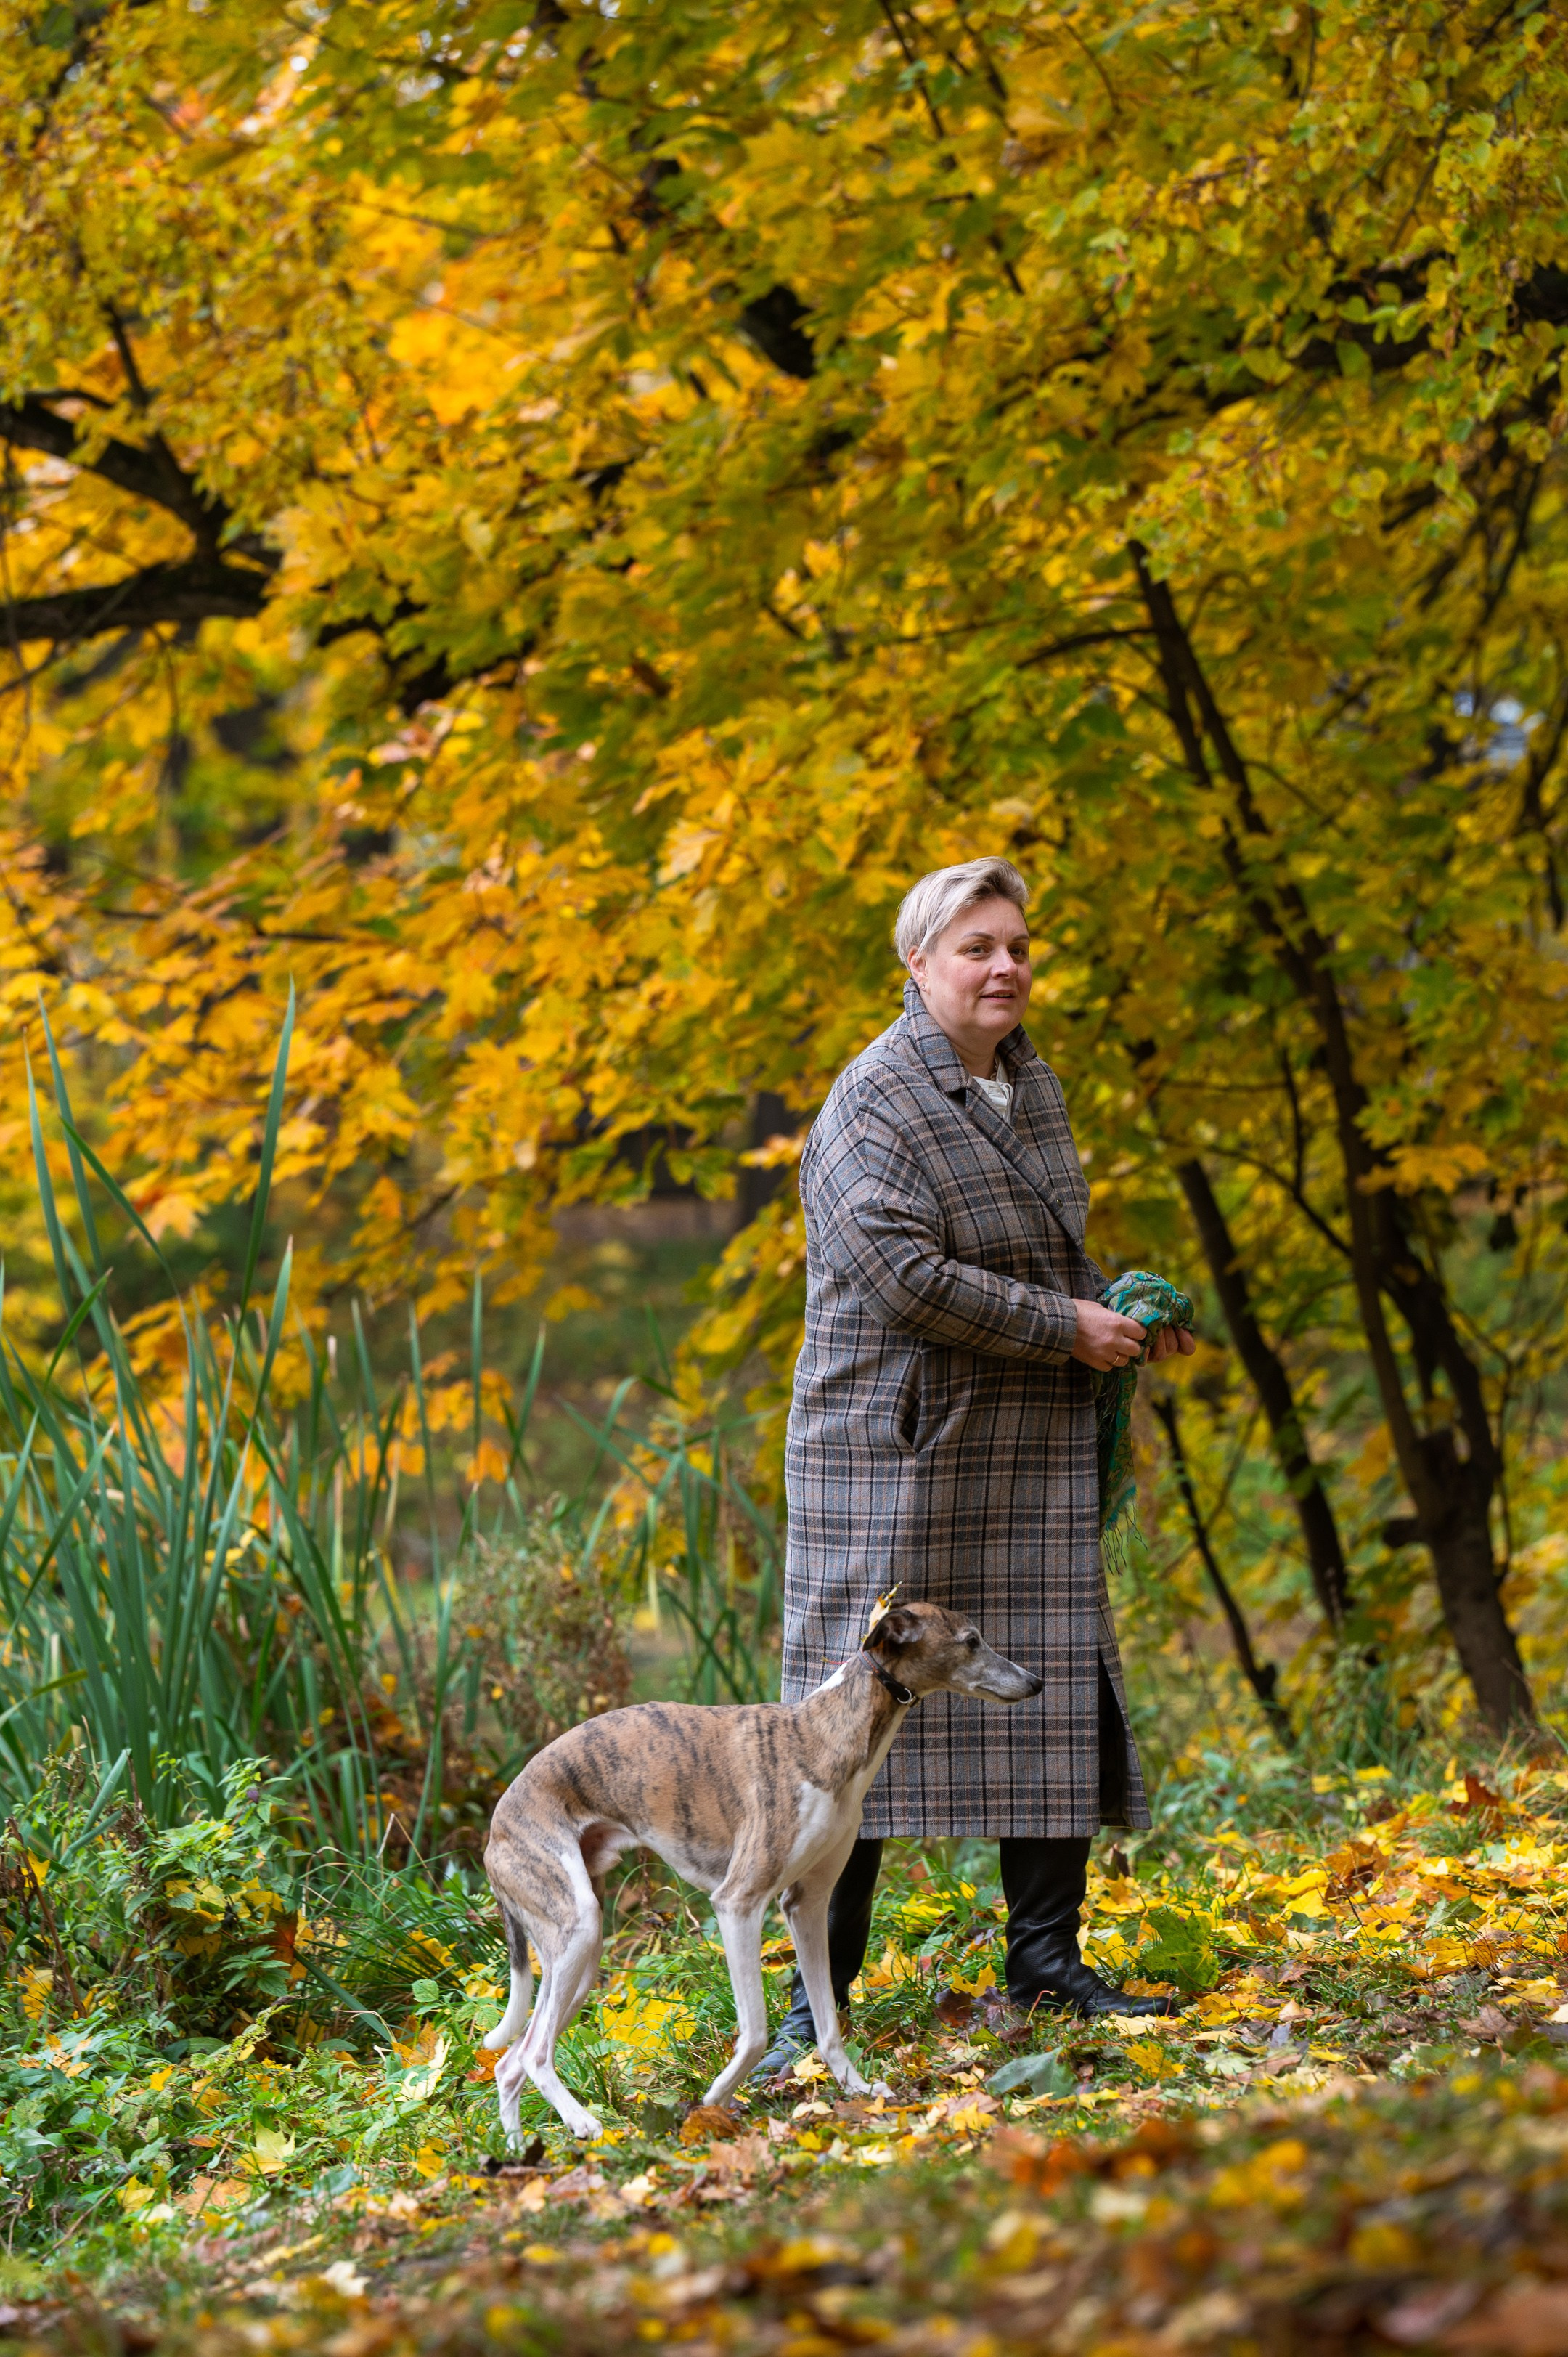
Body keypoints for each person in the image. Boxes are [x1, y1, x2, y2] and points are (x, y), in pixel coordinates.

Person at [758, 856, 1195, 2075]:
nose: (1005, 967)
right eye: (976, 947)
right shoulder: (873, 1100)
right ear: (918, 964)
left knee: (1044, 1680)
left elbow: (1043, 1245)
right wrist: (1066, 1326)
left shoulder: (1026, 1080)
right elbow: (904, 1276)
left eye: (1017, 946)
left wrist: (1116, 1308)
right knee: (851, 1724)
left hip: (1023, 1439)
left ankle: (1046, 1966)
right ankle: (812, 2008)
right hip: (895, 1453)